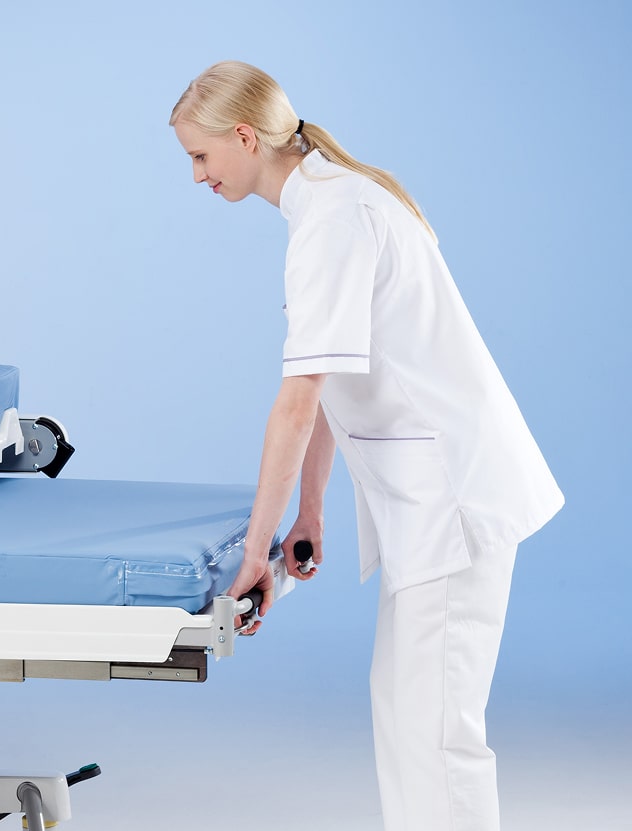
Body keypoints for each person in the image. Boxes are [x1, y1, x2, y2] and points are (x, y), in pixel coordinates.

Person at [169, 61, 563, 831]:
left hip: (452, 499)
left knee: (436, 733)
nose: (197, 176)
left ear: (244, 137)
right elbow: (333, 377)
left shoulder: (334, 220)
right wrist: (310, 511)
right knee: (408, 711)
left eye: (200, 156)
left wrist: (255, 553)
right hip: (430, 498)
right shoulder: (329, 202)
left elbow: (296, 404)